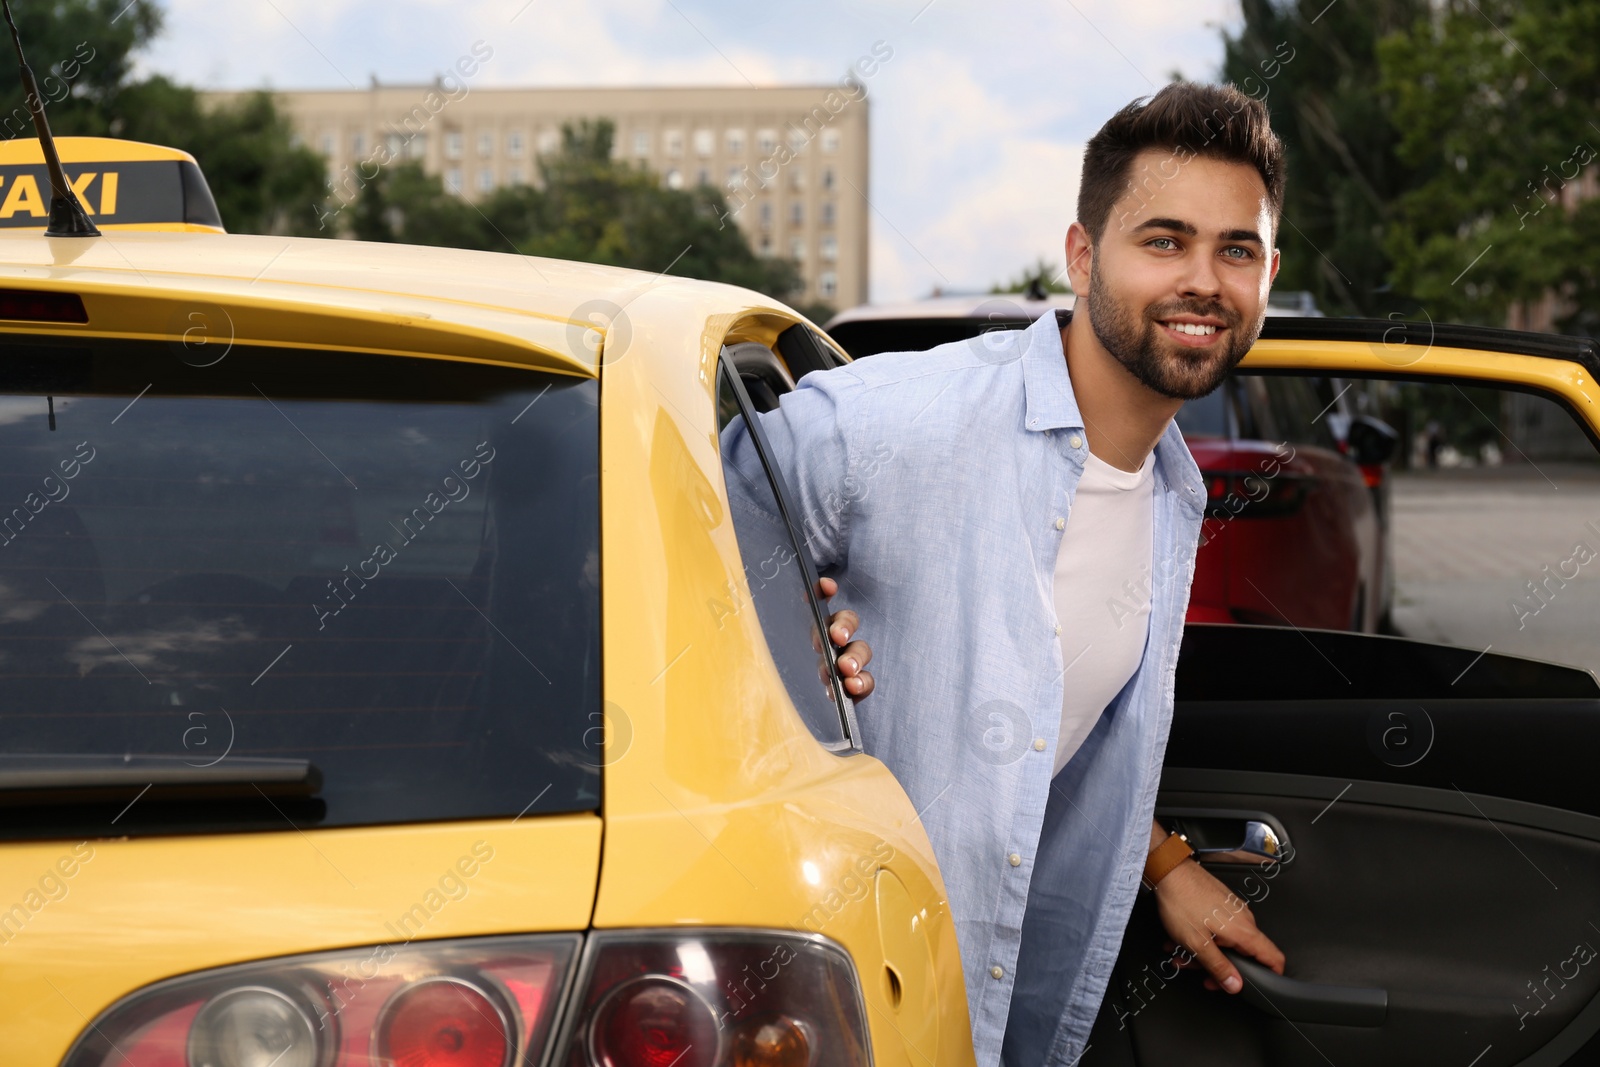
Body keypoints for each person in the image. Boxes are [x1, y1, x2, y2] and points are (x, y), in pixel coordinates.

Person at [723, 81, 1287, 1066]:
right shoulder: (883, 424)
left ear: (1266, 273)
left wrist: (1163, 862)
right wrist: (775, 638)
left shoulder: (1171, 491)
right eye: (1163, 240)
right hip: (817, 1001)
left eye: (1233, 248)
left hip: (985, 1013)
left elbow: (1041, 731)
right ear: (1081, 255)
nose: (1202, 278)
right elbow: (660, 556)